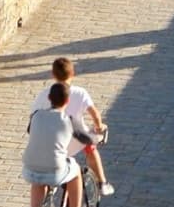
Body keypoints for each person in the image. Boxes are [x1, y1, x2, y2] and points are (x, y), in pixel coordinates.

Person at [30, 57, 114, 196]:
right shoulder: (80, 93)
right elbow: (95, 115)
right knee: (90, 146)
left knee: (42, 179)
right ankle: (102, 182)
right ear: (73, 74)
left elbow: (33, 118)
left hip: (48, 145)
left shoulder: (43, 94)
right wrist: (99, 127)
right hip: (75, 140)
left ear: (53, 74)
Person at [22, 81, 90, 207]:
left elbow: (31, 130)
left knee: (38, 181)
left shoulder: (37, 115)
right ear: (67, 102)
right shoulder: (68, 120)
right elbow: (86, 139)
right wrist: (99, 135)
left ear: (48, 98)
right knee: (76, 173)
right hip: (55, 170)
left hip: (29, 169)